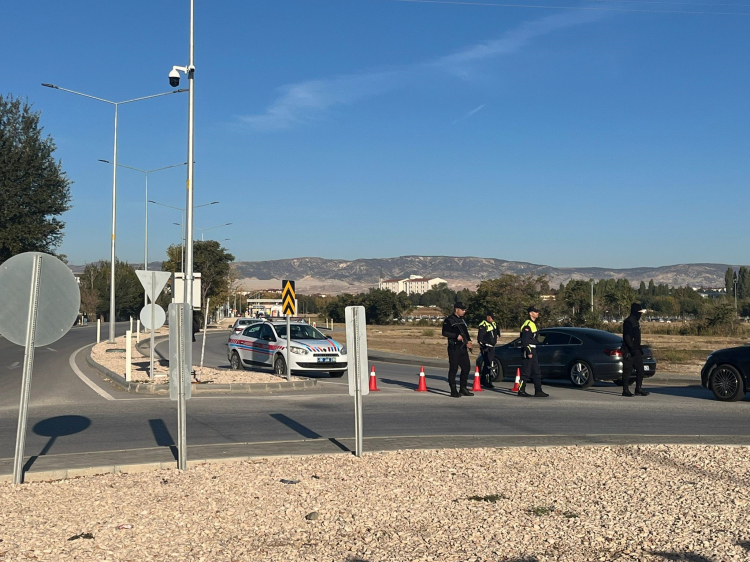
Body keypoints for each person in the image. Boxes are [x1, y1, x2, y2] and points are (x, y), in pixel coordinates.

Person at [442, 302, 473, 398]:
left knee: (466, 368)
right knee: (454, 369)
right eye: (462, 310)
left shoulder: (462, 320)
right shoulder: (449, 320)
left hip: (463, 348)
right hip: (454, 348)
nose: (464, 311)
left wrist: (469, 341)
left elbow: (465, 332)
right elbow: (444, 332)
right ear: (456, 309)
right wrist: (456, 336)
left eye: (464, 310)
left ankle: (463, 388)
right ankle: (453, 390)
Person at [518, 306, 548, 397]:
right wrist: (528, 351)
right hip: (529, 349)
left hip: (533, 349)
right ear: (530, 313)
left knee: (536, 371)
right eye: (535, 312)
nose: (537, 313)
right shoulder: (527, 324)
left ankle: (538, 391)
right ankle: (521, 390)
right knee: (526, 371)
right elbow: (525, 340)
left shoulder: (533, 324)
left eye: (537, 312)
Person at [622, 302, 649, 397]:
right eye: (639, 312)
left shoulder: (636, 322)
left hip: (636, 350)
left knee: (640, 370)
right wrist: (631, 348)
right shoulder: (628, 322)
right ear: (635, 312)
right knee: (627, 371)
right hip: (629, 350)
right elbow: (627, 336)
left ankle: (638, 389)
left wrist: (639, 348)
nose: (640, 314)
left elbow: (636, 337)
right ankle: (625, 390)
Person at [477, 312, 500, 388]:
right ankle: (487, 381)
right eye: (492, 317)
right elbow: (480, 338)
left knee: (489, 364)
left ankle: (483, 380)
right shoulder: (483, 325)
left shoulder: (494, 324)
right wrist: (483, 346)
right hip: (486, 347)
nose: (493, 319)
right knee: (488, 364)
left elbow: (497, 331)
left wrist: (498, 335)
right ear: (488, 317)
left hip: (492, 347)